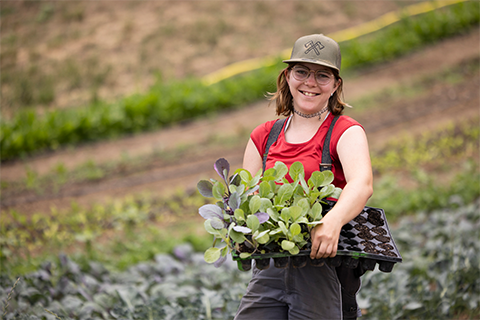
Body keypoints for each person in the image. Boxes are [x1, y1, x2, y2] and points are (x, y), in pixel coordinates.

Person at [235, 34, 373, 320]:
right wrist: (239, 228)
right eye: (302, 72)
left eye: (322, 75)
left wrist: (332, 221)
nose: (310, 82)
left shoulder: (345, 131)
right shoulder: (263, 135)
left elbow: (362, 184)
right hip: (270, 269)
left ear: (336, 85)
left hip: (322, 268)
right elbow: (244, 196)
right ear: (287, 76)